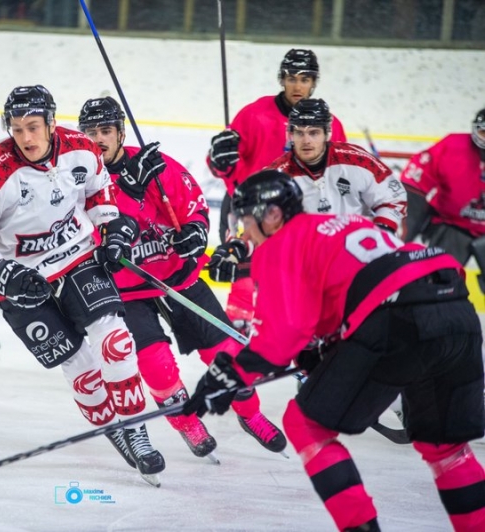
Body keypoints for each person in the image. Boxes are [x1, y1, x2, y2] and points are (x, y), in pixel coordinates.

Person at [185, 170, 485, 531]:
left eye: (247, 221)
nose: (245, 233)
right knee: (446, 448)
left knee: (305, 423)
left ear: (272, 215)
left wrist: (230, 374)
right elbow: (328, 311)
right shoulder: (338, 225)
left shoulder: (281, 245)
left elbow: (283, 334)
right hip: (456, 309)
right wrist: (321, 347)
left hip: (397, 317)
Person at [0, 85, 165, 485]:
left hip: (77, 257)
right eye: (16, 129)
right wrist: (1, 272)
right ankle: (112, 428)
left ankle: (137, 429)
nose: (26, 138)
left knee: (115, 342)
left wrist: (110, 228)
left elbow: (100, 192)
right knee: (81, 368)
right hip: (22, 281)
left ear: (51, 123)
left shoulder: (81, 147)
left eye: (33, 127)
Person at [77, 96, 287, 458]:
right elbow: (93, 232)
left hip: (177, 276)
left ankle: (250, 414)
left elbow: (192, 201)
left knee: (227, 354)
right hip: (127, 290)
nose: (98, 139)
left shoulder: (152, 164)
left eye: (106, 130)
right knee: (157, 367)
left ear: (120, 131)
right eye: (90, 132)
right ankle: (187, 421)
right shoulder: (78, 179)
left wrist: (194, 231)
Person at [208, 98, 406, 334]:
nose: (306, 140)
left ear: (327, 133)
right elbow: (256, 224)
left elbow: (393, 196)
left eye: (313, 132)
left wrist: (380, 237)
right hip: (308, 273)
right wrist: (237, 247)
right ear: (289, 135)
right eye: (299, 133)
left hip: (357, 263)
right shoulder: (276, 176)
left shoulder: (357, 160)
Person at [206, 49, 348, 244]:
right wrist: (218, 159)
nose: (297, 86)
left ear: (314, 83)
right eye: (291, 78)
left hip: (299, 217)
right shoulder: (254, 115)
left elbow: (339, 177)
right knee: (243, 272)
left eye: (305, 79)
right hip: (247, 208)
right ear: (282, 80)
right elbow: (220, 163)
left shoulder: (331, 126)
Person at [400, 108, 485, 270]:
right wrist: (407, 227)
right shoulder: (453, 146)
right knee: (439, 279)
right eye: (484, 133)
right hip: (453, 225)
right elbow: (414, 181)